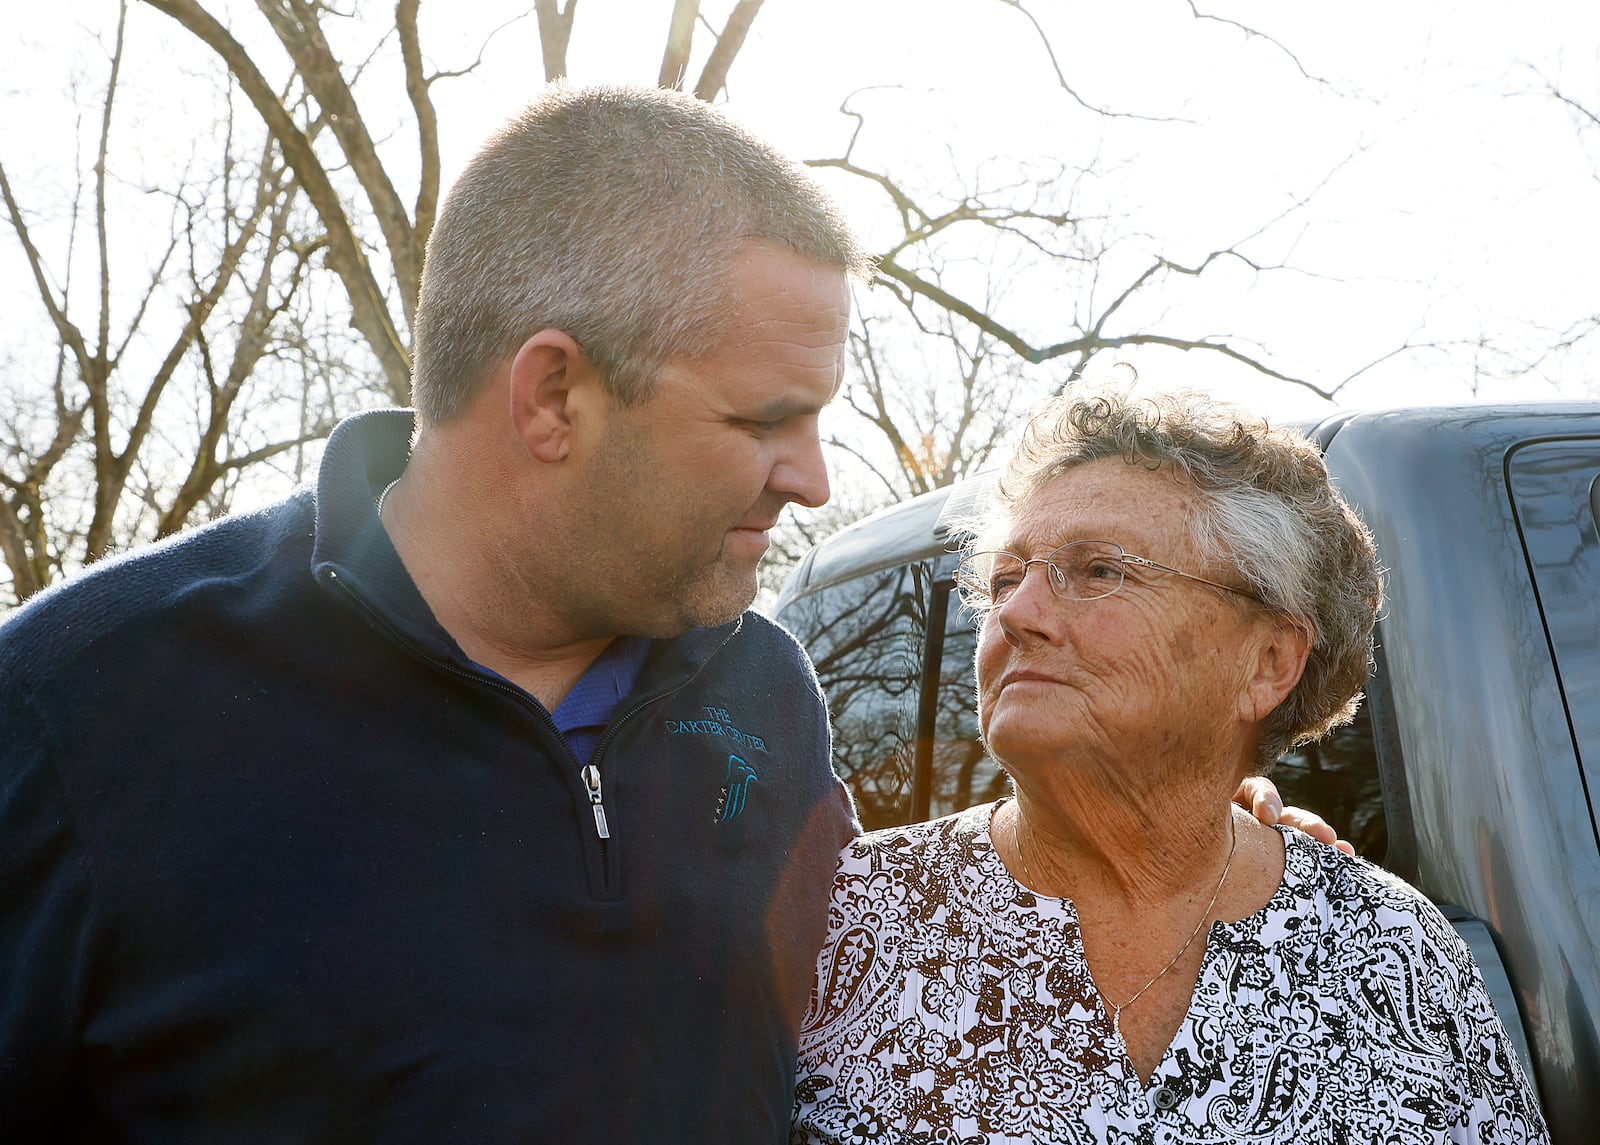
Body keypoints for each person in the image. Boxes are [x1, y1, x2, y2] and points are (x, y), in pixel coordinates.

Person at [0, 86, 1335, 1142]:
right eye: (766, 419)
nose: (812, 476)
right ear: (553, 398)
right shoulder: (77, 719)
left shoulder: (762, 693)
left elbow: (882, 997)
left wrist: (1193, 844)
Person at [792, 385, 1548, 1143]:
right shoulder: (843, 920)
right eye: (1003, 579)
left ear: (1269, 660)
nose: (1016, 614)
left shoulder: (1392, 953)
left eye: (1097, 571)